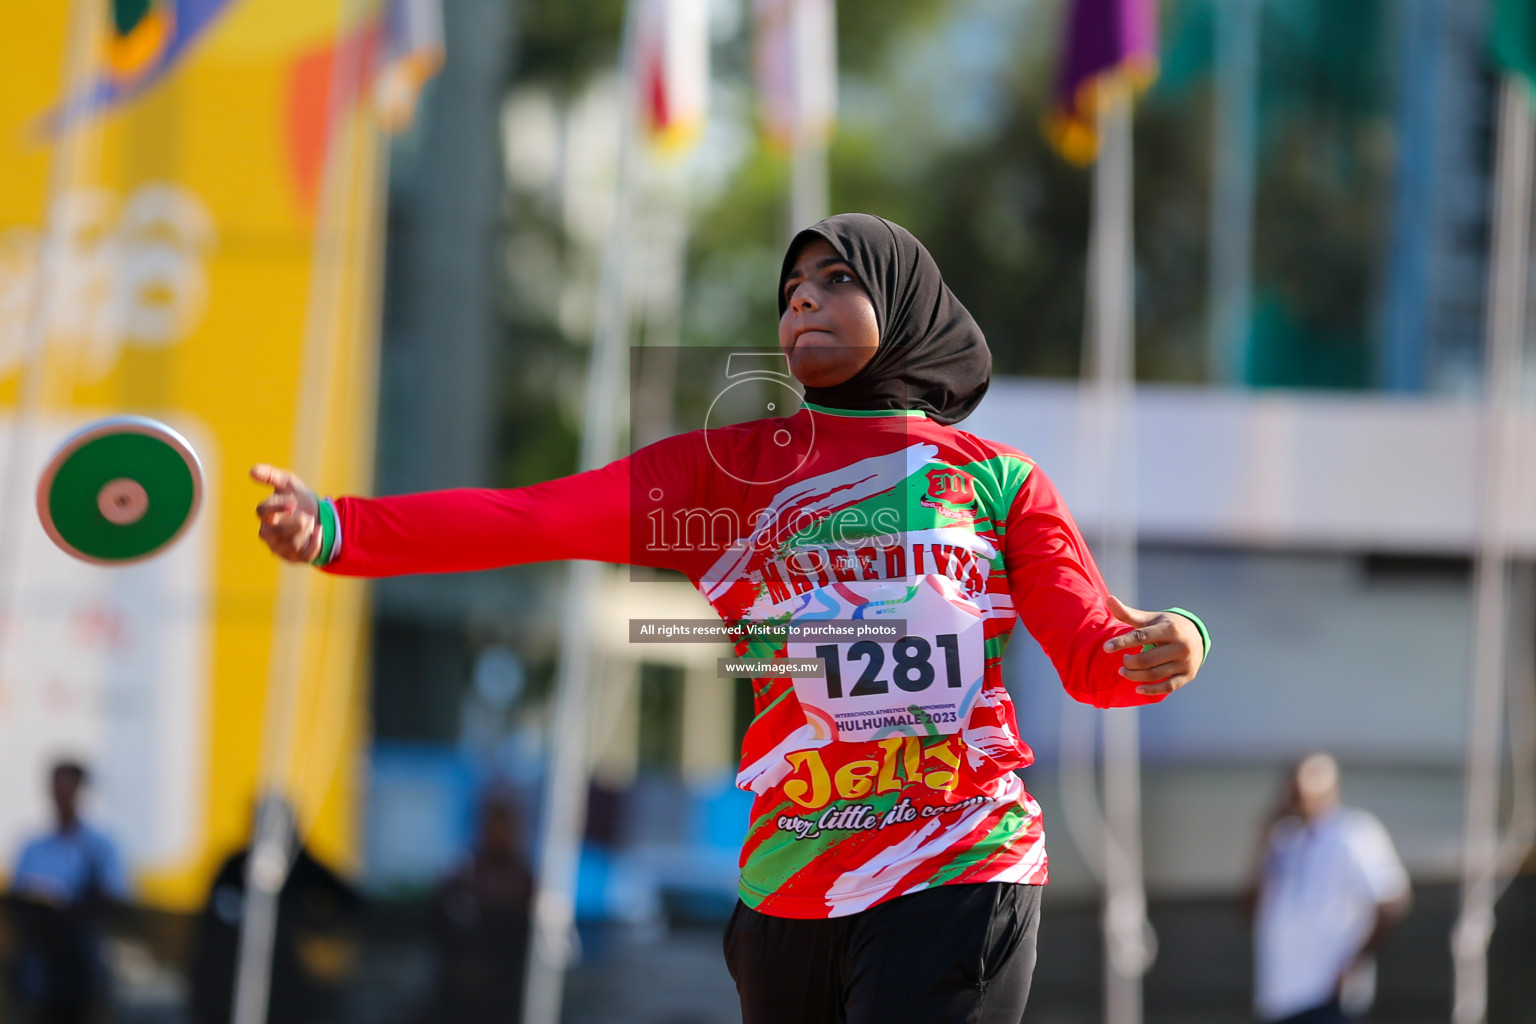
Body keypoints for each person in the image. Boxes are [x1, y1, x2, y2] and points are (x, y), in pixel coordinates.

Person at [251, 213, 1211, 1023]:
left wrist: (1173, 642)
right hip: (793, 876)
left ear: (907, 305)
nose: (801, 300)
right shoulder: (728, 471)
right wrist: (338, 528)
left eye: (836, 279)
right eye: (790, 287)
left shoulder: (998, 481)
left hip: (959, 854)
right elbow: (532, 517)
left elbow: (1095, 656)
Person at [1249, 753, 1410, 1024]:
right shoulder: (1284, 840)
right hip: (1279, 998)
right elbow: (1249, 908)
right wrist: (1264, 838)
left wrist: (1351, 965)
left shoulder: (1353, 832)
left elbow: (1391, 900)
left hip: (1325, 996)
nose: (1296, 791)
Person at [187, 799, 361, 1024]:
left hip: (286, 976)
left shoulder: (303, 866)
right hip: (235, 970)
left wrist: (313, 922)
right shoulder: (237, 865)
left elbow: (351, 903)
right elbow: (216, 910)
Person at [6, 760, 129, 1024]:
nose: (61, 796)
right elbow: (18, 899)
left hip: (82, 966)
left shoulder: (99, 846)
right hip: (40, 966)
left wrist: (75, 906)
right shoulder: (33, 846)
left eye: (67, 788)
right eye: (56, 788)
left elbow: (114, 897)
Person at [422, 789, 534, 1024]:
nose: (498, 833)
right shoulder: (462, 876)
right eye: (492, 825)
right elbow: (435, 927)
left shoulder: (526, 882)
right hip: (457, 996)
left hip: (506, 997)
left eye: (505, 827)